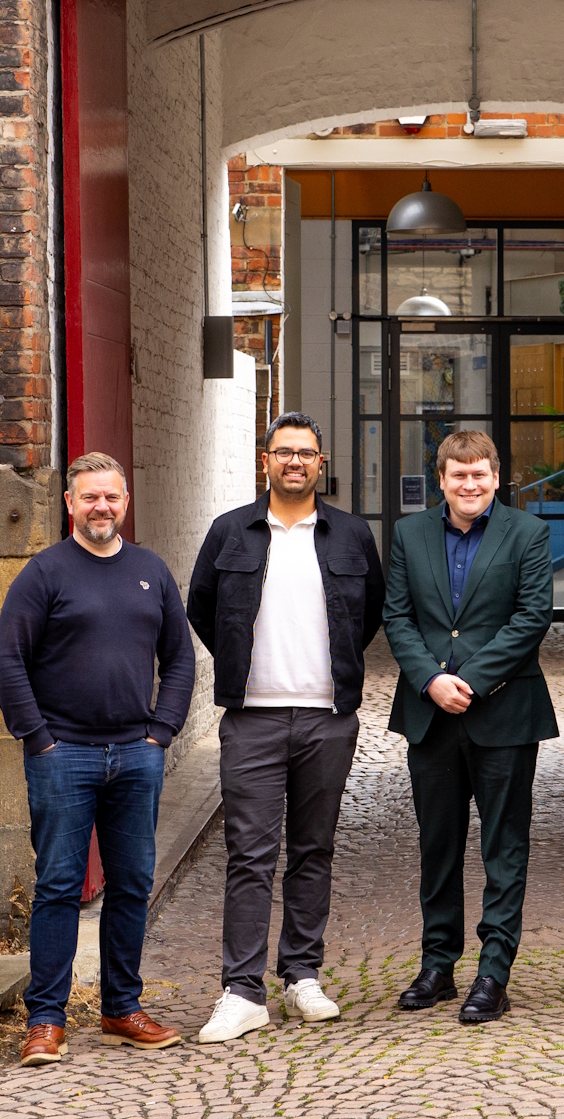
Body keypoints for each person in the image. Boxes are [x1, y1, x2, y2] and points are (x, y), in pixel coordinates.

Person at [183, 412, 386, 1043]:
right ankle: (241, 991)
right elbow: (202, 607)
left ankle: (302, 975)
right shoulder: (230, 533)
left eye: (306, 452)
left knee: (313, 848)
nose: (294, 462)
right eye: (283, 452)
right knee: (249, 853)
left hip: (329, 717)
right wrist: (247, 667)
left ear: (321, 463)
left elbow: (370, 611)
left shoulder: (352, 535)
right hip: (253, 718)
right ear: (264, 461)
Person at [0, 452, 194, 1063]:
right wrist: (39, 739)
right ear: (70, 504)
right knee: (57, 886)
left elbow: (180, 658)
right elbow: (6, 661)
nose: (101, 507)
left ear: (125, 502)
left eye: (111, 497)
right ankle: (46, 1020)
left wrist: (162, 732)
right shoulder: (44, 573)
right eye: (89, 498)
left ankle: (121, 1008)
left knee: (132, 883)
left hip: (137, 753)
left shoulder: (151, 571)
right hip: (64, 756)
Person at [381, 429, 558, 1025]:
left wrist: (472, 680)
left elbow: (532, 617)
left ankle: (494, 972)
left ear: (496, 477)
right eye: (458, 475)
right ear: (441, 480)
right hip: (430, 713)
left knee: (503, 847)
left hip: (504, 713)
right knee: (439, 844)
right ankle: (438, 964)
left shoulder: (528, 534)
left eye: (479, 474)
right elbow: (397, 616)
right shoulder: (408, 534)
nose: (469, 485)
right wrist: (432, 679)